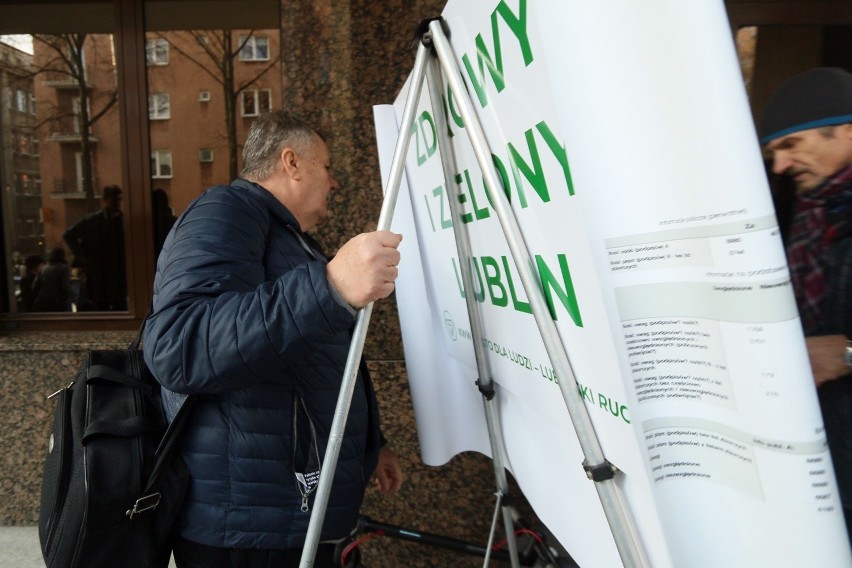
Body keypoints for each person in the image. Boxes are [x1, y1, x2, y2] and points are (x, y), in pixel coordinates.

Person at [143, 110, 404, 567]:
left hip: (286, 517)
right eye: (327, 167)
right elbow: (178, 346)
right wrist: (330, 288)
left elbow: (312, 363)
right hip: (249, 532)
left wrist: (370, 445)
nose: (335, 183)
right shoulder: (226, 210)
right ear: (292, 163)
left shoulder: (284, 236)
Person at [758, 66, 852, 541]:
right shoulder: (814, 207)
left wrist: (849, 353)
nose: (779, 166)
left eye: (791, 145)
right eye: (773, 154)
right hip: (821, 443)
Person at [63, 184, 127, 311]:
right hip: (100, 273)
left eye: (118, 199)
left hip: (116, 273)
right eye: (114, 199)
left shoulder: (122, 220)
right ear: (106, 200)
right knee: (102, 306)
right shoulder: (93, 221)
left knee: (118, 306)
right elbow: (68, 234)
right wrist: (83, 257)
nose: (117, 203)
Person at [32, 247, 74, 312]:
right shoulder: (64, 268)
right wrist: (72, 298)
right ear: (63, 256)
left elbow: (35, 287)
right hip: (57, 303)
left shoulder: (42, 268)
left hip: (43, 302)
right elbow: (65, 287)